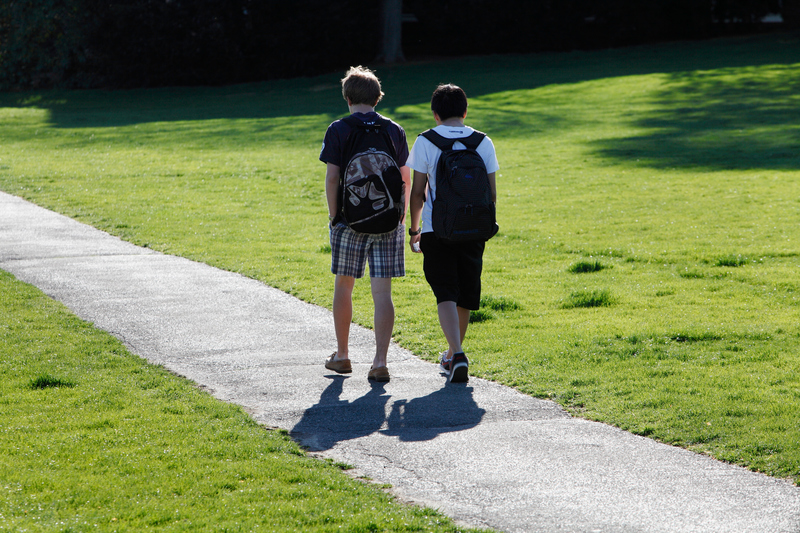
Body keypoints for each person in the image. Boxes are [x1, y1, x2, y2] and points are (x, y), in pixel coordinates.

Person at [319, 66, 411, 382]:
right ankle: (380, 361)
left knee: (344, 285)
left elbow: (333, 177)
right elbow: (404, 178)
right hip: (389, 220)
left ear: (347, 97)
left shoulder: (339, 129)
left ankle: (343, 356)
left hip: (349, 220)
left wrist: (334, 217)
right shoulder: (394, 130)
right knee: (382, 293)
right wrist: (400, 214)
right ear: (377, 97)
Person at [406, 84, 499, 383]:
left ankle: (456, 353)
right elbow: (492, 194)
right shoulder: (483, 142)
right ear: (465, 111)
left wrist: (415, 230)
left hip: (437, 229)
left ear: (435, 114)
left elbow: (417, 193)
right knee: (466, 292)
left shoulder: (425, 141)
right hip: (474, 229)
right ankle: (452, 353)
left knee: (445, 290)